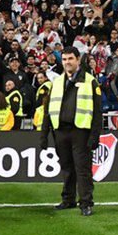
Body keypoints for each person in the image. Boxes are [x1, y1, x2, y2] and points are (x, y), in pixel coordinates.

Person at [40, 46, 102, 217]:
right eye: (65, 59)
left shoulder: (90, 81)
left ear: (78, 60)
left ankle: (86, 203)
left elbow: (98, 112)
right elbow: (48, 110)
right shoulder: (58, 82)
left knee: (82, 169)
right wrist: (43, 135)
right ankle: (68, 199)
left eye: (70, 59)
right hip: (61, 131)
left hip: (80, 131)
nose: (67, 62)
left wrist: (95, 136)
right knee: (67, 168)